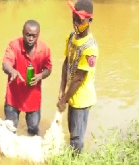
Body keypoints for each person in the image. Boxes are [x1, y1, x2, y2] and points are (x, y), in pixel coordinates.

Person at [57, 0, 99, 153]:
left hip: (81, 99)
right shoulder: (71, 36)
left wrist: (63, 99)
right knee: (72, 132)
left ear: (90, 20)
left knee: (76, 139)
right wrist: (62, 90)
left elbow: (79, 78)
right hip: (70, 94)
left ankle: (75, 160)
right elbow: (66, 62)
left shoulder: (90, 47)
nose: (75, 23)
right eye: (73, 18)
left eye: (80, 20)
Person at [2, 20, 52, 136]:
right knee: (10, 131)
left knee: (33, 132)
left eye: (34, 36)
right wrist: (12, 71)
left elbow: (48, 69)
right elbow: (5, 63)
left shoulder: (44, 49)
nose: (30, 39)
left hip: (33, 98)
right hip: (13, 97)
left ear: (38, 35)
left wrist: (39, 76)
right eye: (27, 35)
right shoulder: (14, 45)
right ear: (23, 33)